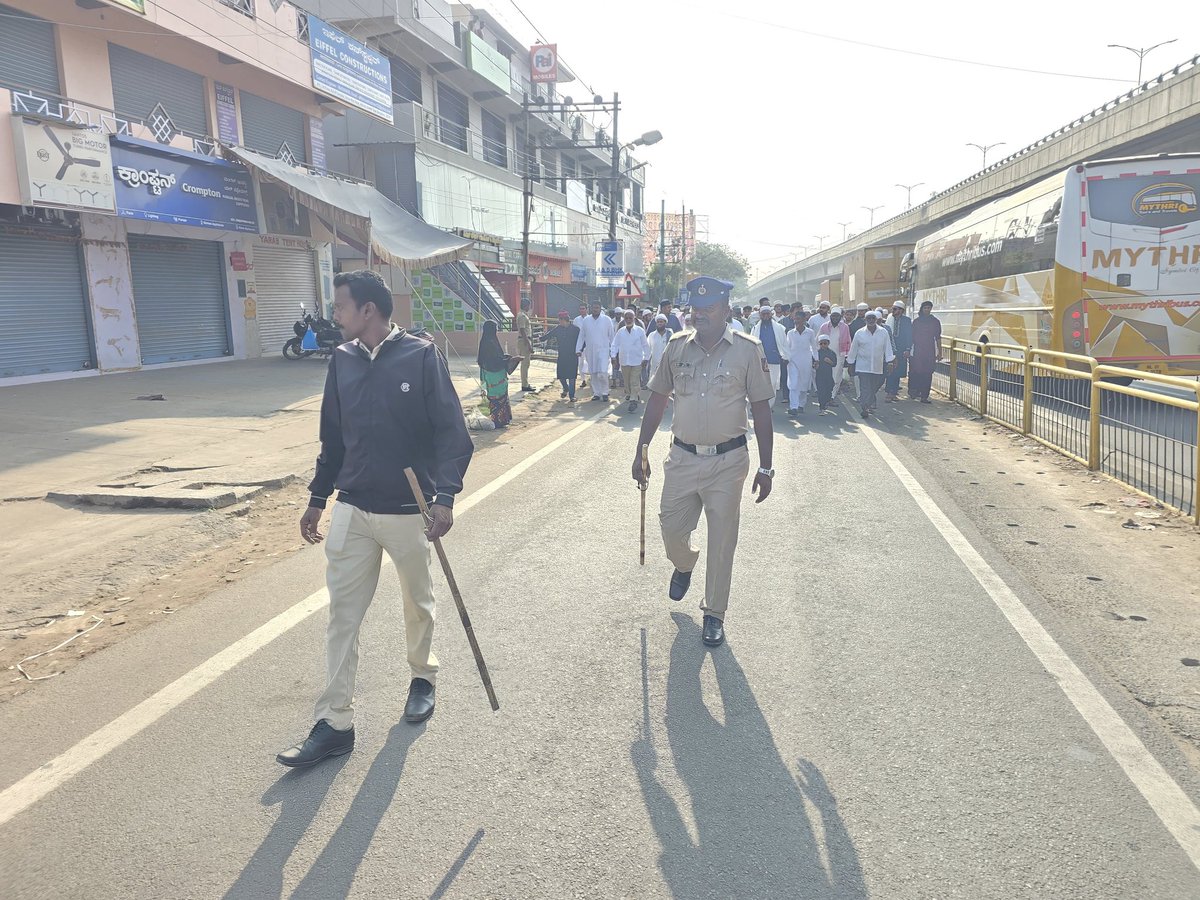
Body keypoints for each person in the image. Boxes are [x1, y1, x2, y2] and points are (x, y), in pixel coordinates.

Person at [279, 269, 473, 768]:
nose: (335, 315)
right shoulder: (341, 361)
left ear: (368, 310)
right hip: (353, 506)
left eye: (341, 306)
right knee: (342, 615)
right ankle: (335, 723)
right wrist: (318, 498)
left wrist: (445, 497)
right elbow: (333, 437)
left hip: (409, 508)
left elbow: (453, 433)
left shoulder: (421, 355)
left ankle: (422, 677)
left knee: (417, 602)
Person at [632, 275, 775, 649]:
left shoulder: (748, 349)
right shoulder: (676, 347)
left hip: (729, 462)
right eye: (695, 309)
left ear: (726, 310)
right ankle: (684, 564)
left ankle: (714, 613)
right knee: (670, 530)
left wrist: (766, 465)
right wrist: (641, 449)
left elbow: (761, 408)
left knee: (722, 539)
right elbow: (658, 398)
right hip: (682, 457)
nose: (700, 316)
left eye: (708, 309)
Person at [847, 309, 895, 419]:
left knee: (874, 387)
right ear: (865, 320)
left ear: (876, 319)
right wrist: (850, 363)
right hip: (863, 366)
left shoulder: (883, 332)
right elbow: (853, 349)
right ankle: (864, 408)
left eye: (873, 318)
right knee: (865, 388)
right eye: (869, 318)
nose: (871, 320)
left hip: (878, 366)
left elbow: (887, 348)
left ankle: (867, 403)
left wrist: (890, 362)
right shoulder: (859, 333)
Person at [476, 319, 515, 427]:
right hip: (495, 375)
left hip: (488, 374)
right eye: (495, 329)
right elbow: (495, 360)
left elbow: (492, 358)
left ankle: (498, 419)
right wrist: (510, 360)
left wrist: (505, 358)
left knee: (495, 398)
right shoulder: (491, 343)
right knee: (499, 398)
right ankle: (500, 420)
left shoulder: (486, 341)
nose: (497, 331)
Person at [612, 308, 651, 412]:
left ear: (634, 318)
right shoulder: (620, 331)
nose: (628, 320)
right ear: (624, 319)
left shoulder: (640, 331)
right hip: (624, 361)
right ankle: (631, 394)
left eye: (630, 318)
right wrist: (613, 356)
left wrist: (646, 358)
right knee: (627, 382)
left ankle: (633, 400)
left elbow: (645, 345)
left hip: (637, 361)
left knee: (634, 380)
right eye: (626, 318)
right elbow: (615, 344)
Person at [750, 305, 789, 409]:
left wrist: (785, 356)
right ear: (760, 315)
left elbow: (784, 344)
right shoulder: (755, 328)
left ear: (771, 314)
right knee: (759, 385)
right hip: (760, 360)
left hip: (774, 359)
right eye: (764, 314)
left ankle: (769, 406)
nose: (766, 316)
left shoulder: (780, 328)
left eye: (768, 314)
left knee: (773, 384)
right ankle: (759, 405)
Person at [578, 301, 616, 401]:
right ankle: (596, 393)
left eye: (597, 308)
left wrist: (614, 352)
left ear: (600, 309)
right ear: (591, 309)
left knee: (602, 372)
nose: (595, 309)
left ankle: (605, 392)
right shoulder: (586, 320)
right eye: (594, 307)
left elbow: (612, 337)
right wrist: (578, 349)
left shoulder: (607, 320)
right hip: (590, 351)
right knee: (593, 372)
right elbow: (581, 336)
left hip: (603, 350)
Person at [541, 309, 581, 404]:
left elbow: (581, 341)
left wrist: (580, 350)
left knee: (572, 377)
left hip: (573, 355)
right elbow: (549, 335)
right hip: (562, 355)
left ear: (565, 319)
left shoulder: (575, 329)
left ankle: (572, 396)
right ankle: (565, 388)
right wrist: (541, 338)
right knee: (561, 375)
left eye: (560, 320)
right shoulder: (558, 329)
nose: (559, 322)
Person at [909, 299, 942, 403]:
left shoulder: (935, 322)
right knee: (916, 371)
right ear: (922, 309)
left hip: (929, 351)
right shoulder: (916, 322)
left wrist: (939, 352)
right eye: (925, 308)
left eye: (929, 308)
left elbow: (938, 338)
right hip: (917, 350)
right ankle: (914, 391)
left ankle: (924, 396)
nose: (927, 310)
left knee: (928, 373)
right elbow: (911, 337)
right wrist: (909, 350)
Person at [785, 313, 818, 416]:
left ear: (804, 320)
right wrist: (786, 358)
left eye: (799, 319)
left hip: (806, 362)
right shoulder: (790, 333)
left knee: (804, 384)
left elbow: (814, 347)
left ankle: (801, 405)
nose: (797, 321)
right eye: (795, 319)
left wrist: (816, 359)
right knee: (793, 384)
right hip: (793, 361)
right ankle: (793, 407)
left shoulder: (810, 333)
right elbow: (787, 347)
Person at [816, 307, 852, 396]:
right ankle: (826, 395)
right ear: (830, 316)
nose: (835, 318)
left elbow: (848, 341)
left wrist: (849, 356)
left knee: (836, 378)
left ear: (840, 317)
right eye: (833, 316)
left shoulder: (845, 327)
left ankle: (832, 396)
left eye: (837, 316)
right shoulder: (824, 326)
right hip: (825, 356)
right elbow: (817, 340)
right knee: (826, 377)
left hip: (839, 355)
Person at [884, 300, 913, 402]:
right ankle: (889, 392)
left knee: (897, 371)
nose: (893, 310)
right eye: (893, 308)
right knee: (890, 370)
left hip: (901, 349)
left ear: (901, 310)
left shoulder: (906, 321)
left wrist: (908, 349)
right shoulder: (889, 319)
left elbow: (909, 336)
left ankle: (893, 392)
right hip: (890, 349)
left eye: (895, 309)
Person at [515, 298, 535, 392]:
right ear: (526, 305)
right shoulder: (522, 316)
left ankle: (525, 383)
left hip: (524, 340)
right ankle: (524, 385)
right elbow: (523, 331)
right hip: (524, 341)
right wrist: (528, 345)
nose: (529, 307)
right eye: (529, 305)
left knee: (526, 364)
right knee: (525, 364)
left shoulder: (523, 315)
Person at [647, 313, 673, 382]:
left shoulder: (670, 335)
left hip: (667, 364)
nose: (659, 323)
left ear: (665, 323)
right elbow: (647, 349)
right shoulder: (651, 335)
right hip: (655, 364)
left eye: (661, 322)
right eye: (658, 322)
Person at [815, 334, 837, 414]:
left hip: (828, 375)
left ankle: (827, 401)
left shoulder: (832, 353)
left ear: (828, 343)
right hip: (819, 376)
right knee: (821, 392)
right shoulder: (816, 353)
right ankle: (822, 407)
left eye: (825, 343)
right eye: (821, 343)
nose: (823, 345)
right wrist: (815, 365)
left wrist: (829, 361)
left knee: (828, 390)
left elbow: (834, 364)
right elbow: (813, 364)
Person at [572, 303, 590, 388]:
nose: (582, 310)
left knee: (590, 361)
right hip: (579, 344)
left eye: (583, 308)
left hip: (590, 343)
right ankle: (583, 380)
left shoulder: (590, 319)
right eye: (581, 309)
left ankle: (592, 379)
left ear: (587, 309)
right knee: (580, 362)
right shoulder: (576, 320)